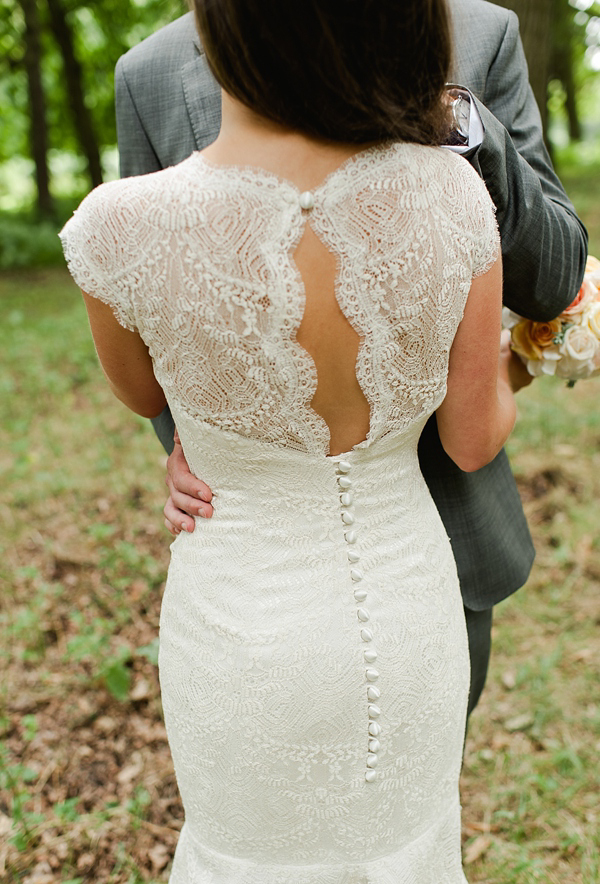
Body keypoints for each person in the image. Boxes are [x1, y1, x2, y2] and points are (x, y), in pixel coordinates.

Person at [61, 1, 549, 884]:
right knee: (411, 855)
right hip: (410, 613)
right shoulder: (453, 194)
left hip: (239, 620)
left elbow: (145, 394)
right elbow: (472, 438)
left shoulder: (117, 226)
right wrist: (515, 367)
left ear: (220, 34)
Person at [114, 0, 588, 718]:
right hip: (252, 575)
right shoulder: (148, 77)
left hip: (439, 533)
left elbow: (554, 278)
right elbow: (153, 319)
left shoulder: (480, 35)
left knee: (425, 791)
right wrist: (188, 446)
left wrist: (461, 124)